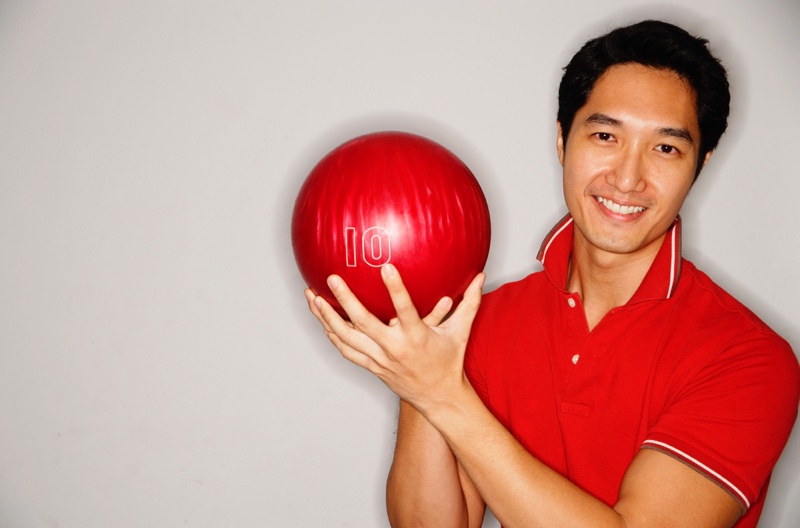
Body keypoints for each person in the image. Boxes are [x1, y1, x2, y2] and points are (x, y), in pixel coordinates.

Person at [305, 19, 800, 528]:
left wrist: (441, 392)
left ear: (700, 164)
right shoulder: (482, 322)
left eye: (666, 148)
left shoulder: (749, 359)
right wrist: (421, 363)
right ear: (563, 141)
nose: (627, 178)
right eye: (605, 135)